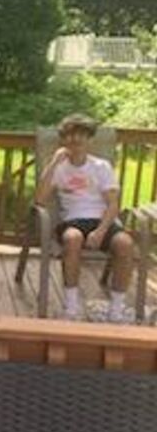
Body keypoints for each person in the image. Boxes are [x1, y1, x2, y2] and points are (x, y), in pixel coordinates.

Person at [35, 113, 134, 323]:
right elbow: (40, 200)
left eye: (82, 135)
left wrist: (101, 231)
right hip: (72, 220)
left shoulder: (101, 167)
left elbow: (113, 204)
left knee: (125, 244)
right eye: (71, 135)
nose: (76, 140)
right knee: (72, 239)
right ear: (64, 140)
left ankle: (116, 308)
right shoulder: (59, 168)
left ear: (90, 140)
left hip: (102, 220)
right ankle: (71, 306)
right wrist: (53, 162)